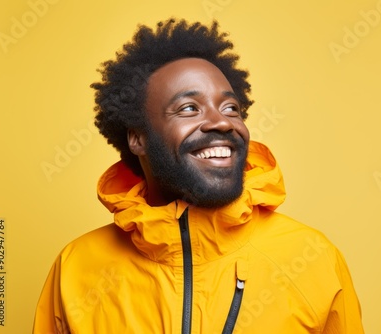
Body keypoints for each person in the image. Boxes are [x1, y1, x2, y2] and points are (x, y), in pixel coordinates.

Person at [33, 18, 364, 334]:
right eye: (189, 108)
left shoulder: (312, 259)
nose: (222, 122)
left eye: (230, 108)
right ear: (138, 138)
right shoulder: (76, 268)